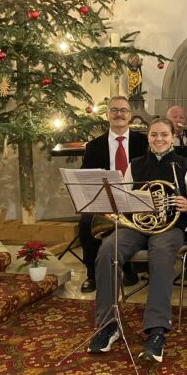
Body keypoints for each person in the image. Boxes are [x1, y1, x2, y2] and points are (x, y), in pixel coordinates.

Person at [88, 118, 187, 364]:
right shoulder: (136, 164)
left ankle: (156, 330)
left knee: (160, 254)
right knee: (108, 249)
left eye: (164, 135)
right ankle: (108, 325)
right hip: (137, 226)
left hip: (170, 228)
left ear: (173, 137)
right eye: (154, 135)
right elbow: (123, 198)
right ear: (148, 137)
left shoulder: (186, 165)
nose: (159, 139)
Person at [78, 96, 148, 293]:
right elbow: (86, 178)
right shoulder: (94, 146)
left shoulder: (144, 142)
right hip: (105, 200)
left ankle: (130, 270)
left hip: (135, 199)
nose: (119, 114)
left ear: (130, 115)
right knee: (86, 223)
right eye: (114, 110)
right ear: (107, 115)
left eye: (123, 110)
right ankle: (92, 275)